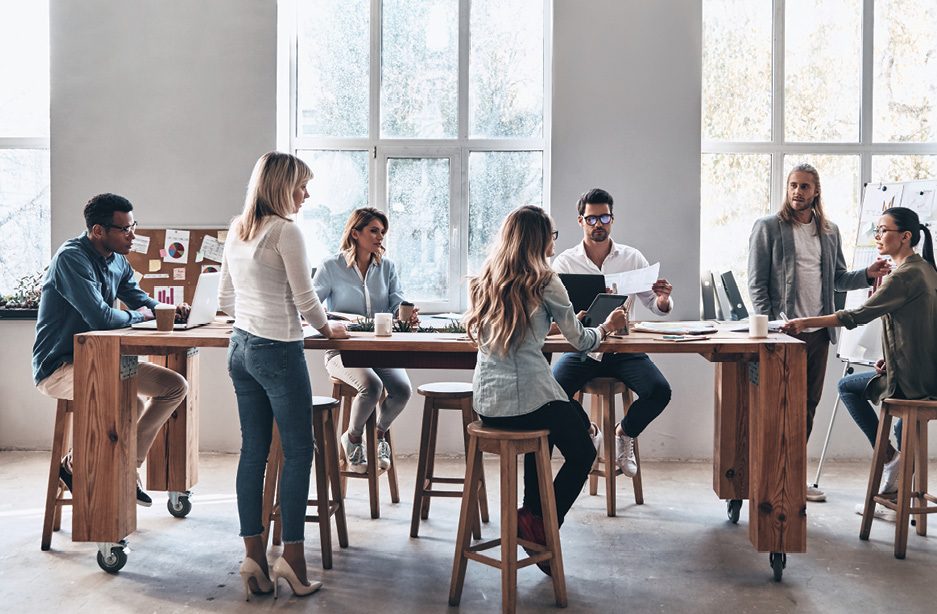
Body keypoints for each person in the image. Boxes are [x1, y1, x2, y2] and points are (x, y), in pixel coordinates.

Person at [463, 205, 626, 575]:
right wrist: (608, 326)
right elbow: (584, 343)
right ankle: (544, 527)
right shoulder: (546, 279)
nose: (554, 242)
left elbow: (522, 332)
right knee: (585, 450)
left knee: (558, 427)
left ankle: (532, 516)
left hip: (487, 404)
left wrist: (561, 323)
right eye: (551, 235)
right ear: (540, 240)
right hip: (528, 401)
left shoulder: (488, 277)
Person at [219, 152, 349, 600]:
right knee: (298, 452)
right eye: (302, 186)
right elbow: (306, 300)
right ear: (281, 186)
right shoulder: (286, 231)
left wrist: (254, 321)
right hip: (277, 350)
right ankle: (292, 559)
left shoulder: (238, 228)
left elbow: (226, 298)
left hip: (240, 348)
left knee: (253, 452)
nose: (307, 194)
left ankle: (254, 555)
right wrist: (330, 329)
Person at [32, 193, 189, 507]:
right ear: (98, 231)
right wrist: (141, 316)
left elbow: (141, 301)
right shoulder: (71, 259)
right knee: (122, 398)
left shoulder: (118, 260)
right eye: (125, 229)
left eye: (134, 226)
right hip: (60, 367)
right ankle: (79, 468)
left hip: (104, 363)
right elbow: (101, 317)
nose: (133, 235)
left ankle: (127, 468)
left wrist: (169, 310)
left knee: (174, 387)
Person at [749, 164, 891, 502]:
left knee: (807, 405)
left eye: (805, 187)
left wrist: (866, 273)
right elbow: (756, 284)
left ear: (816, 192)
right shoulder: (768, 227)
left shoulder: (828, 231)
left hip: (818, 335)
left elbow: (838, 278)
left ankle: (794, 477)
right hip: (783, 334)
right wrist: (773, 327)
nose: (798, 192)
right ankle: (767, 474)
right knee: (776, 406)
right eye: (793, 185)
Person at [781, 207, 937, 502]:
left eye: (883, 230)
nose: (877, 237)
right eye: (876, 230)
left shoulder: (902, 277)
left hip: (910, 381)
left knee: (846, 387)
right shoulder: (927, 269)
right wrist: (891, 359)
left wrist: (805, 322)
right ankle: (900, 489)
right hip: (928, 375)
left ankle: (890, 458)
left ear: (905, 237)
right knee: (905, 420)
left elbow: (856, 315)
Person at [551, 188, 673, 479]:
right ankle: (589, 431)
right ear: (581, 221)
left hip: (623, 349)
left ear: (612, 218)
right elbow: (555, 312)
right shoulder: (565, 263)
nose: (598, 224)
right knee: (552, 392)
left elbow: (653, 305)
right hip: (583, 348)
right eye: (591, 219)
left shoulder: (632, 257)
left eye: (604, 217)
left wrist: (664, 300)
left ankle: (623, 433)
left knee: (660, 391)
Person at [313, 207, 417, 474]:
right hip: (342, 352)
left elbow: (397, 304)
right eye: (374, 230)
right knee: (371, 386)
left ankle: (379, 435)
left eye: (382, 232)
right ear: (355, 233)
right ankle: (353, 437)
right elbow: (311, 304)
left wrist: (407, 314)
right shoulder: (331, 266)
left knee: (403, 391)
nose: (380, 237)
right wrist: (326, 321)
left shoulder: (387, 267)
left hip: (380, 351)